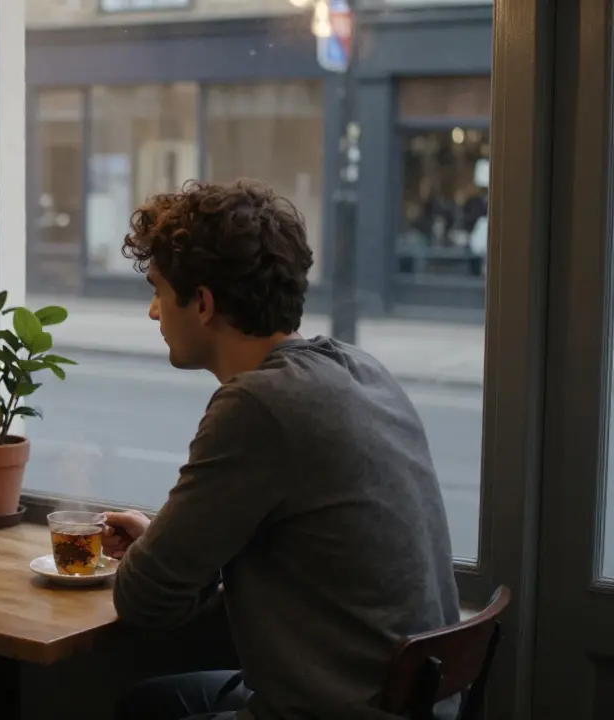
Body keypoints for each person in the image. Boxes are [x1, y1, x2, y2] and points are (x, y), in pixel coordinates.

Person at [102, 180, 461, 720]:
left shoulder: (257, 406)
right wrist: (169, 548)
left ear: (201, 303)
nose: (154, 312)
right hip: (413, 702)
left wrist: (163, 562)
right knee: (151, 704)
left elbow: (143, 600)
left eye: (157, 290)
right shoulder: (360, 369)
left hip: (338, 711)